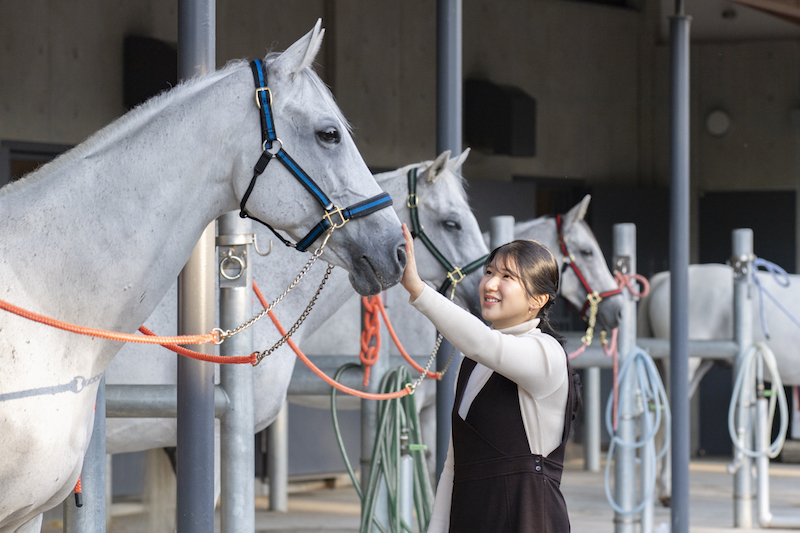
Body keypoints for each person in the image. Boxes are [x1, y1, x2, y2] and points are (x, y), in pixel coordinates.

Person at [399, 223, 577, 533]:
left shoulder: (546, 353)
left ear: (538, 299)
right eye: (489, 272)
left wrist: (418, 288)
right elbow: (454, 467)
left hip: (528, 519)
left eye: (508, 277)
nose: (490, 284)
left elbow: (485, 344)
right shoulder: (473, 364)